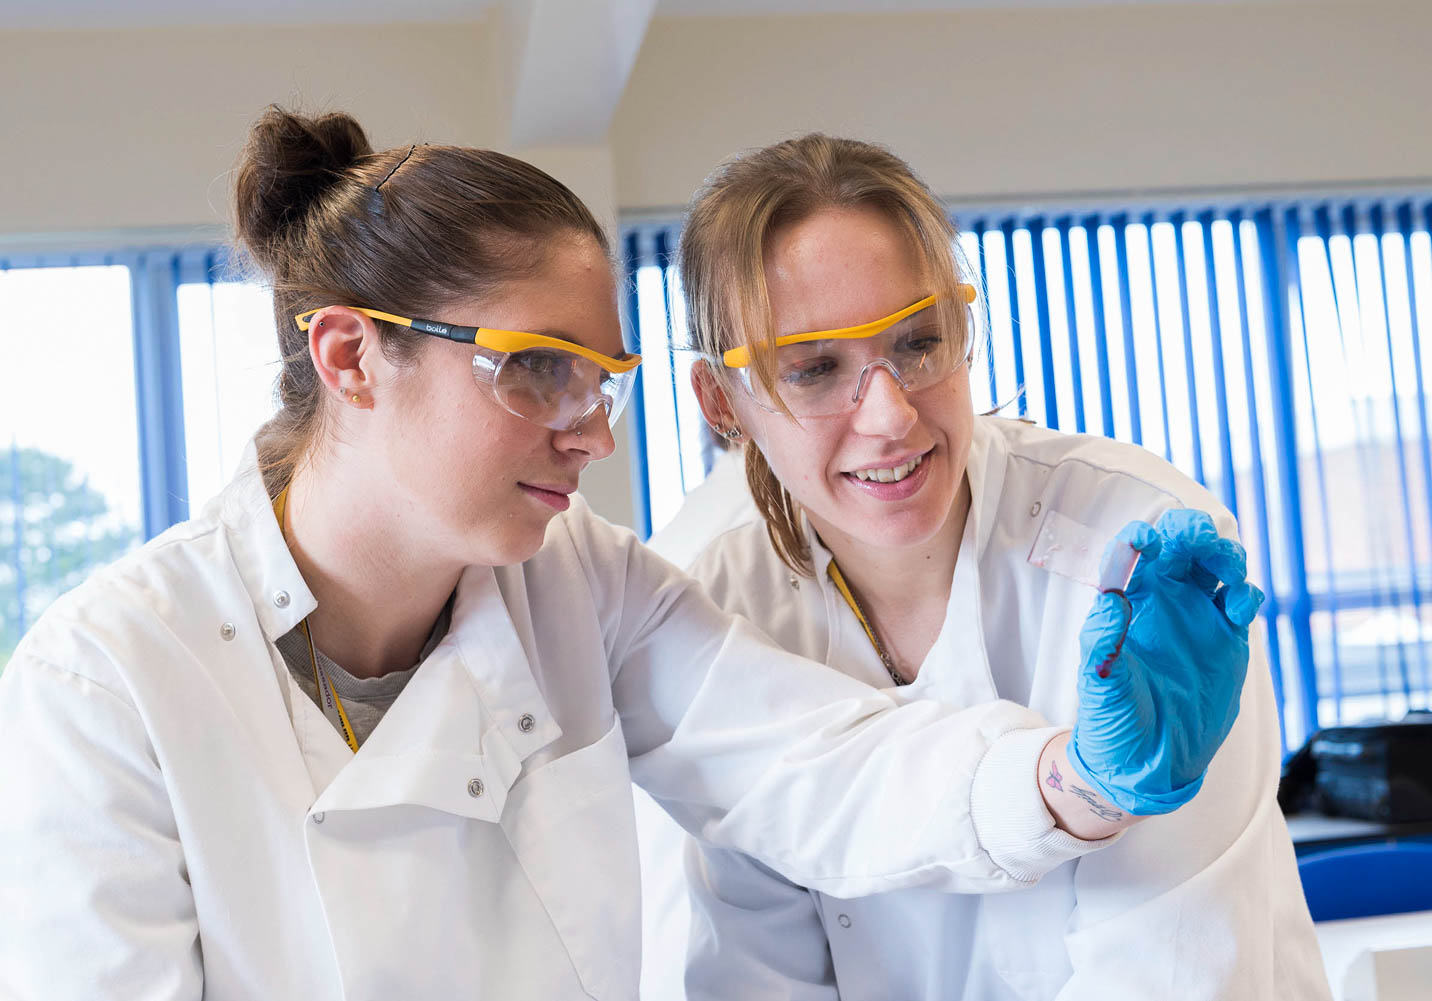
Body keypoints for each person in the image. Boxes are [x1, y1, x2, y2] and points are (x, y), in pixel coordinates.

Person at [0, 108, 1247, 1001]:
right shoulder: (110, 684)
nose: (593, 433)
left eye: (602, 381)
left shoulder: (573, 580)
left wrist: (1076, 778)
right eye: (535, 368)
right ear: (349, 358)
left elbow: (814, 762)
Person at [674, 134, 1331, 999]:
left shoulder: (1137, 548)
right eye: (816, 368)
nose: (891, 415)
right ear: (723, 402)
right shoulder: (719, 615)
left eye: (918, 341)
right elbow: (757, 967)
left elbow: (1168, 966)